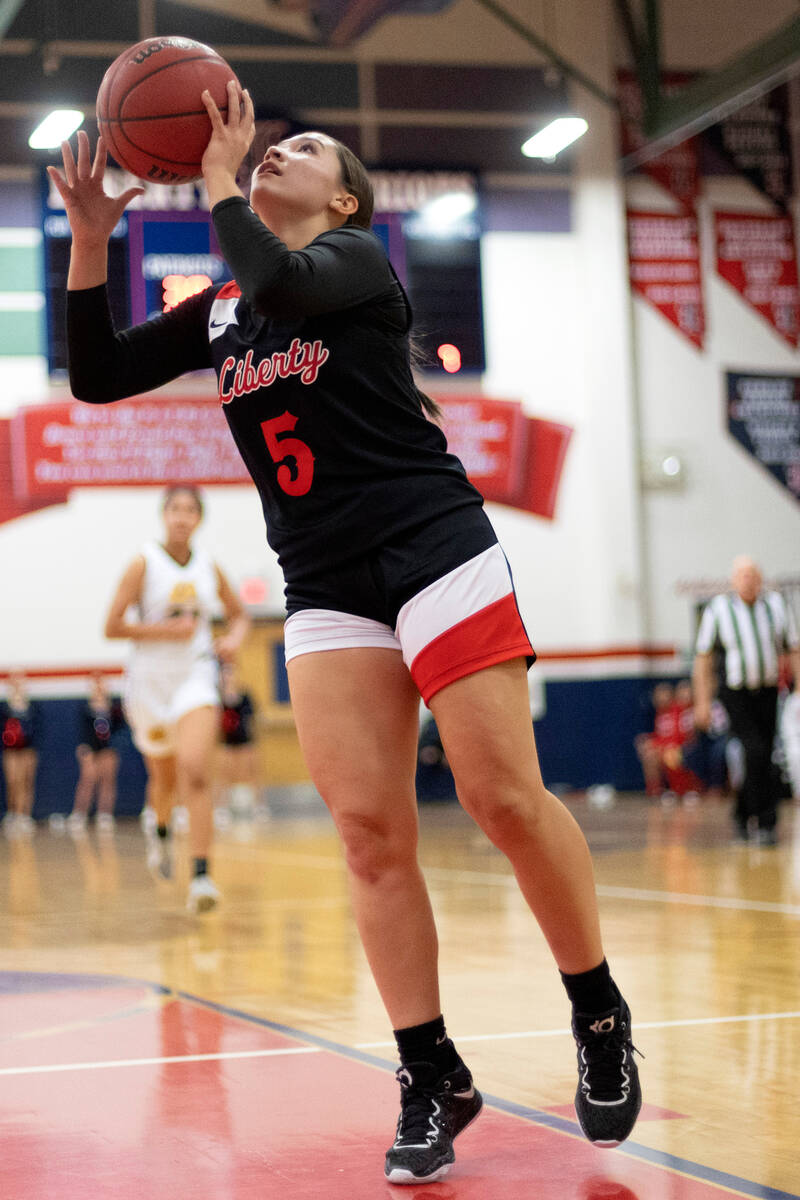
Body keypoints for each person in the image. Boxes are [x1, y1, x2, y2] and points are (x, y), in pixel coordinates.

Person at [50, 95, 641, 1183]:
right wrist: (92, 237)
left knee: (500, 797)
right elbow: (94, 374)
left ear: (343, 199)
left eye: (304, 150)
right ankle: (431, 1073)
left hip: (431, 543)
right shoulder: (226, 304)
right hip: (322, 579)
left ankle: (596, 1012)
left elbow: (281, 280)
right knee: (368, 835)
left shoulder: (354, 262)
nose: (277, 150)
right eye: (270, 146)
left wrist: (222, 177)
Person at [102, 485, 249, 911]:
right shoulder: (143, 563)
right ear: (163, 515)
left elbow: (239, 615)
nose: (182, 517)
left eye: (190, 510)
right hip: (149, 682)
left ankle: (202, 877)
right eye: (175, 509)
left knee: (195, 770)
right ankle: (161, 831)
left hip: (195, 675)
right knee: (164, 781)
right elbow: (111, 626)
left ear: (199, 519)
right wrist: (164, 631)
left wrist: (235, 640)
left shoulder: (209, 566)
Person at [693, 556, 800, 845]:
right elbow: (703, 659)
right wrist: (701, 702)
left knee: (765, 755)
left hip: (767, 691)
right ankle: (764, 821)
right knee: (754, 751)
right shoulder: (719, 609)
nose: (749, 581)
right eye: (742, 575)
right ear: (733, 580)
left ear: (760, 579)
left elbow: (793, 648)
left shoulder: (776, 606)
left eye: (753, 575)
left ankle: (744, 815)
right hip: (735, 692)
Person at [69, 671, 127, 833]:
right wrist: (84, 748)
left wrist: (115, 746)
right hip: (90, 749)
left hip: (108, 748)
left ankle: (105, 813)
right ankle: (80, 813)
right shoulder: (86, 707)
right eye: (96, 683)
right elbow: (83, 730)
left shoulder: (113, 707)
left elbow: (119, 728)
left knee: (108, 780)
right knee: (87, 780)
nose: (100, 686)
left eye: (102, 682)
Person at [216, 660, 262, 817]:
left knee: (252, 771)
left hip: (245, 740)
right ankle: (221, 808)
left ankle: (258, 806)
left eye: (231, 672)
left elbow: (252, 718)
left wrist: (253, 740)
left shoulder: (245, 696)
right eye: (225, 673)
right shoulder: (217, 697)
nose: (228, 676)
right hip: (226, 741)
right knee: (224, 774)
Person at [1, 672, 40, 836]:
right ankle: (13, 813)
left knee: (26, 782)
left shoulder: (31, 707)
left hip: (28, 750)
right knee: (13, 782)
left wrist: (34, 747)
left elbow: (37, 729)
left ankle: (25, 815)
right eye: (14, 683)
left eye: (20, 683)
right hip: (11, 750)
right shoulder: (5, 708)